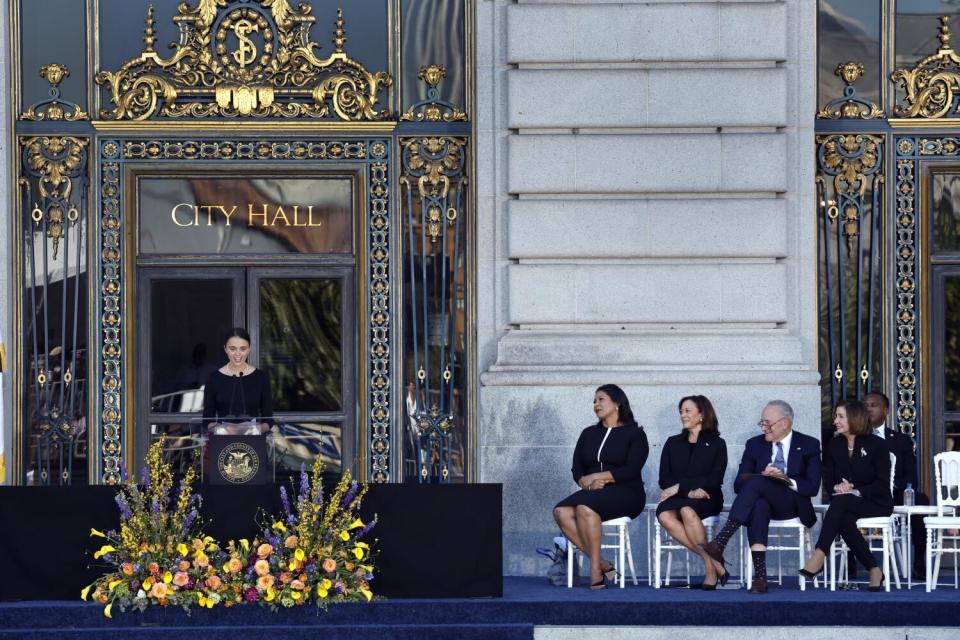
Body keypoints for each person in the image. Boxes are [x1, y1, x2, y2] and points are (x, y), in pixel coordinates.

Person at [698, 400, 821, 593]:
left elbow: (813, 487)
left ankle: (721, 542)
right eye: (761, 423)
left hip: (793, 503)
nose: (764, 428)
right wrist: (763, 476)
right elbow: (738, 485)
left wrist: (785, 479)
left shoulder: (808, 445)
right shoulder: (755, 445)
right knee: (759, 504)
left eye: (767, 423)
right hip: (763, 503)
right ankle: (760, 579)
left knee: (757, 483)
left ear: (784, 423)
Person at [553, 384, 649, 589]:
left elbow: (632, 469)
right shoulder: (588, 433)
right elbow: (577, 468)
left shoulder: (635, 434)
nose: (596, 404)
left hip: (627, 492)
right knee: (561, 511)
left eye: (601, 399)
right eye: (594, 401)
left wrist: (600, 476)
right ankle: (602, 563)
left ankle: (595, 570)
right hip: (593, 492)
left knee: (584, 509)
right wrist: (585, 482)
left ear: (617, 403)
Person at [800, 400, 892, 591]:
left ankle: (819, 555)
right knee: (844, 519)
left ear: (855, 418)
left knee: (841, 506)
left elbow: (882, 483)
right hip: (846, 503)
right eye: (835, 416)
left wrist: (856, 490)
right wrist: (838, 486)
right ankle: (874, 569)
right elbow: (828, 479)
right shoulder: (835, 444)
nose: (836, 421)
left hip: (875, 502)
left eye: (840, 417)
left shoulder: (877, 445)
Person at [656, 395, 728, 588]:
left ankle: (711, 572)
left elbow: (714, 478)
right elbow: (664, 479)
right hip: (682, 498)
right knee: (663, 515)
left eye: (687, 411)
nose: (683, 415)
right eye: (681, 411)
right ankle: (712, 562)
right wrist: (688, 492)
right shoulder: (673, 442)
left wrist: (681, 487)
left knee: (688, 511)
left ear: (702, 414)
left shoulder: (717, 444)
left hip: (708, 496)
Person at [864, 391, 928, 579]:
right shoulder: (857, 439)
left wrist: (893, 486)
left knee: (920, 500)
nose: (868, 409)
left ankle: (919, 561)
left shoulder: (900, 440)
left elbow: (911, 477)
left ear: (886, 411)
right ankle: (851, 563)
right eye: (865, 405)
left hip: (896, 492)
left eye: (873, 405)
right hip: (868, 494)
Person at [202, 327, 274, 435]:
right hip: (223, 443)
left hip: (253, 442)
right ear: (225, 348)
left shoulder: (261, 378)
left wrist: (258, 429)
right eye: (232, 349)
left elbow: (268, 420)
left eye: (243, 349)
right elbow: (207, 420)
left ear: (249, 349)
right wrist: (219, 429)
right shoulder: (214, 378)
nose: (238, 354)